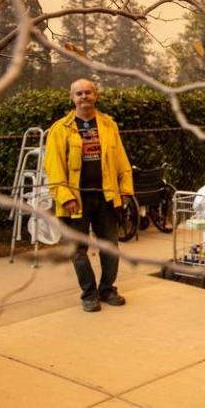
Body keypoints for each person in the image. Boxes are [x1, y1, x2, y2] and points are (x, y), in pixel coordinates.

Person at [44, 79, 134, 312]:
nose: (84, 96)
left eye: (88, 92)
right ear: (72, 97)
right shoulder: (59, 129)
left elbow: (121, 159)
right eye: (79, 93)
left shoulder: (108, 125)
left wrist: (125, 189)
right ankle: (89, 293)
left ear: (96, 95)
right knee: (78, 249)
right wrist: (66, 197)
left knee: (110, 246)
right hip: (76, 200)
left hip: (106, 197)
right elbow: (53, 168)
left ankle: (107, 289)